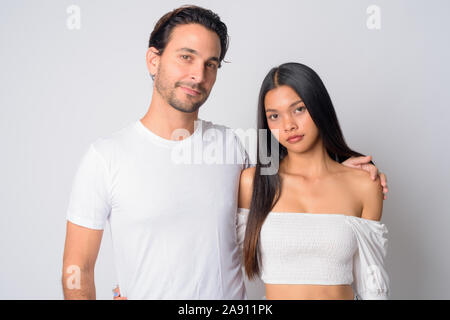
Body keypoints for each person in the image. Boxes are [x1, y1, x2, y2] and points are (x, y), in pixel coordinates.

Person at [61, 5, 388, 300]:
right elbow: (77, 270)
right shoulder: (106, 157)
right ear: (153, 60)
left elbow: (296, 169)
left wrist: (347, 166)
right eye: (186, 57)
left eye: (211, 64)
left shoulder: (233, 147)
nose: (198, 75)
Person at [236, 62, 390, 300]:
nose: (288, 125)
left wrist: (342, 172)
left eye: (299, 109)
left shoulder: (364, 185)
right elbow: (218, 259)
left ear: (319, 107)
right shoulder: (253, 184)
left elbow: (372, 285)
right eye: (274, 116)